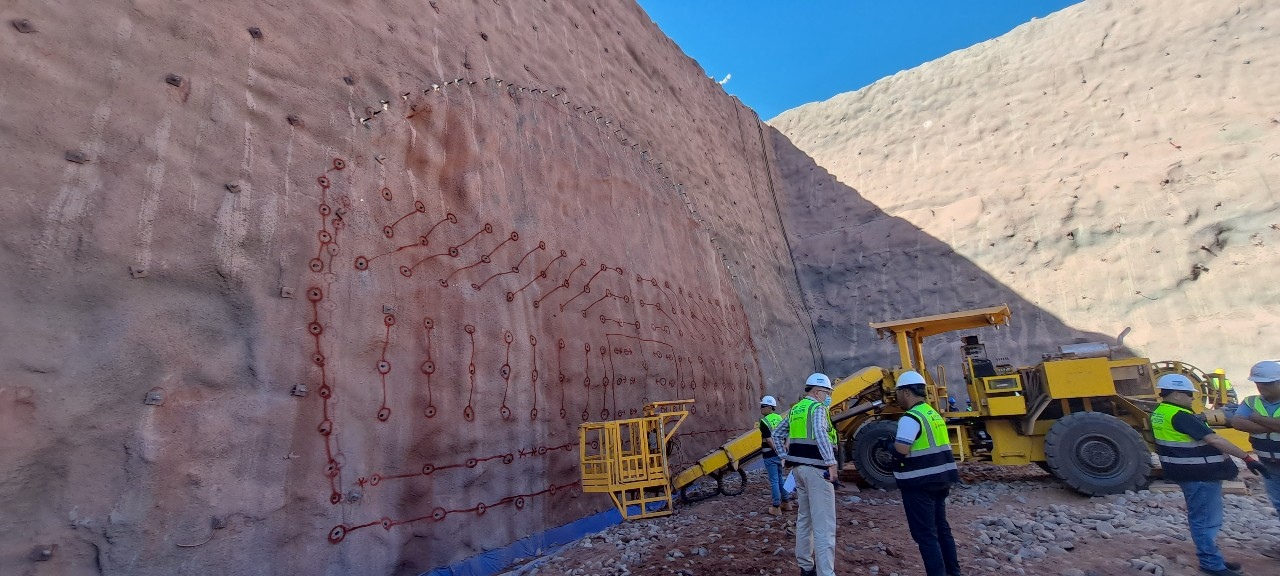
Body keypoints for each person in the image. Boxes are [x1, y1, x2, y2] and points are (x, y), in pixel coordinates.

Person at [1152, 373, 1268, 576]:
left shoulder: (1160, 412)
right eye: (1189, 394)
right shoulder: (1180, 415)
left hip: (1185, 472)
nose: (1192, 398)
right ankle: (1212, 564)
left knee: (1202, 518)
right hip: (1200, 474)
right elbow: (1215, 440)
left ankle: (1213, 559)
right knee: (1206, 521)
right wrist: (1247, 458)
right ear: (1177, 394)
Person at [884, 370, 961, 576]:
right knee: (942, 530)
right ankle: (953, 572)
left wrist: (889, 446)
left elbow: (902, 449)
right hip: (942, 479)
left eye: (897, 392)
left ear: (906, 392)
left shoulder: (911, 418)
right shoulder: (932, 414)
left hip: (919, 483)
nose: (896, 397)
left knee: (926, 536)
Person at [773, 373, 838, 576]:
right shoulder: (817, 408)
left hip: (798, 471)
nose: (828, 397)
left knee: (805, 519)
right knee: (824, 525)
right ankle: (826, 572)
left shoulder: (796, 409)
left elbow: (777, 434)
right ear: (817, 392)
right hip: (817, 471)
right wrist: (831, 463)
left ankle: (806, 567)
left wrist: (784, 456)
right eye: (827, 393)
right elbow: (820, 432)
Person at [1227, 360, 1280, 560]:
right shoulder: (1250, 402)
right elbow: (1238, 422)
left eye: (1266, 383)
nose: (1261, 387)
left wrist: (1257, 419)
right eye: (1258, 383)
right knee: (1278, 504)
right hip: (1269, 463)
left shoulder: (1254, 410)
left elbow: (1248, 421)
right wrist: (1274, 425)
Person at [759, 395, 792, 516]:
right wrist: (785, 447)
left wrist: (776, 450)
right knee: (780, 478)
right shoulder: (779, 418)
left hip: (770, 454)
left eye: (763, 406)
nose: (761, 408)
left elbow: (768, 440)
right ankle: (786, 503)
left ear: (769, 407)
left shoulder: (764, 421)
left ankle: (776, 506)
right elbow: (788, 433)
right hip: (781, 453)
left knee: (774, 480)